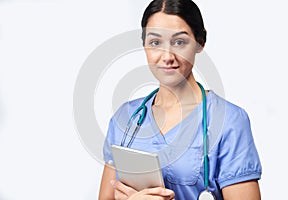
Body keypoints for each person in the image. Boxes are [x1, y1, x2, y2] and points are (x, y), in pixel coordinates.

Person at [98, 0, 262, 199]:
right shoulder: (126, 118)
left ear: (200, 42)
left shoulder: (229, 120)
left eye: (179, 42)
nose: (167, 56)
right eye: (155, 42)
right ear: (144, 45)